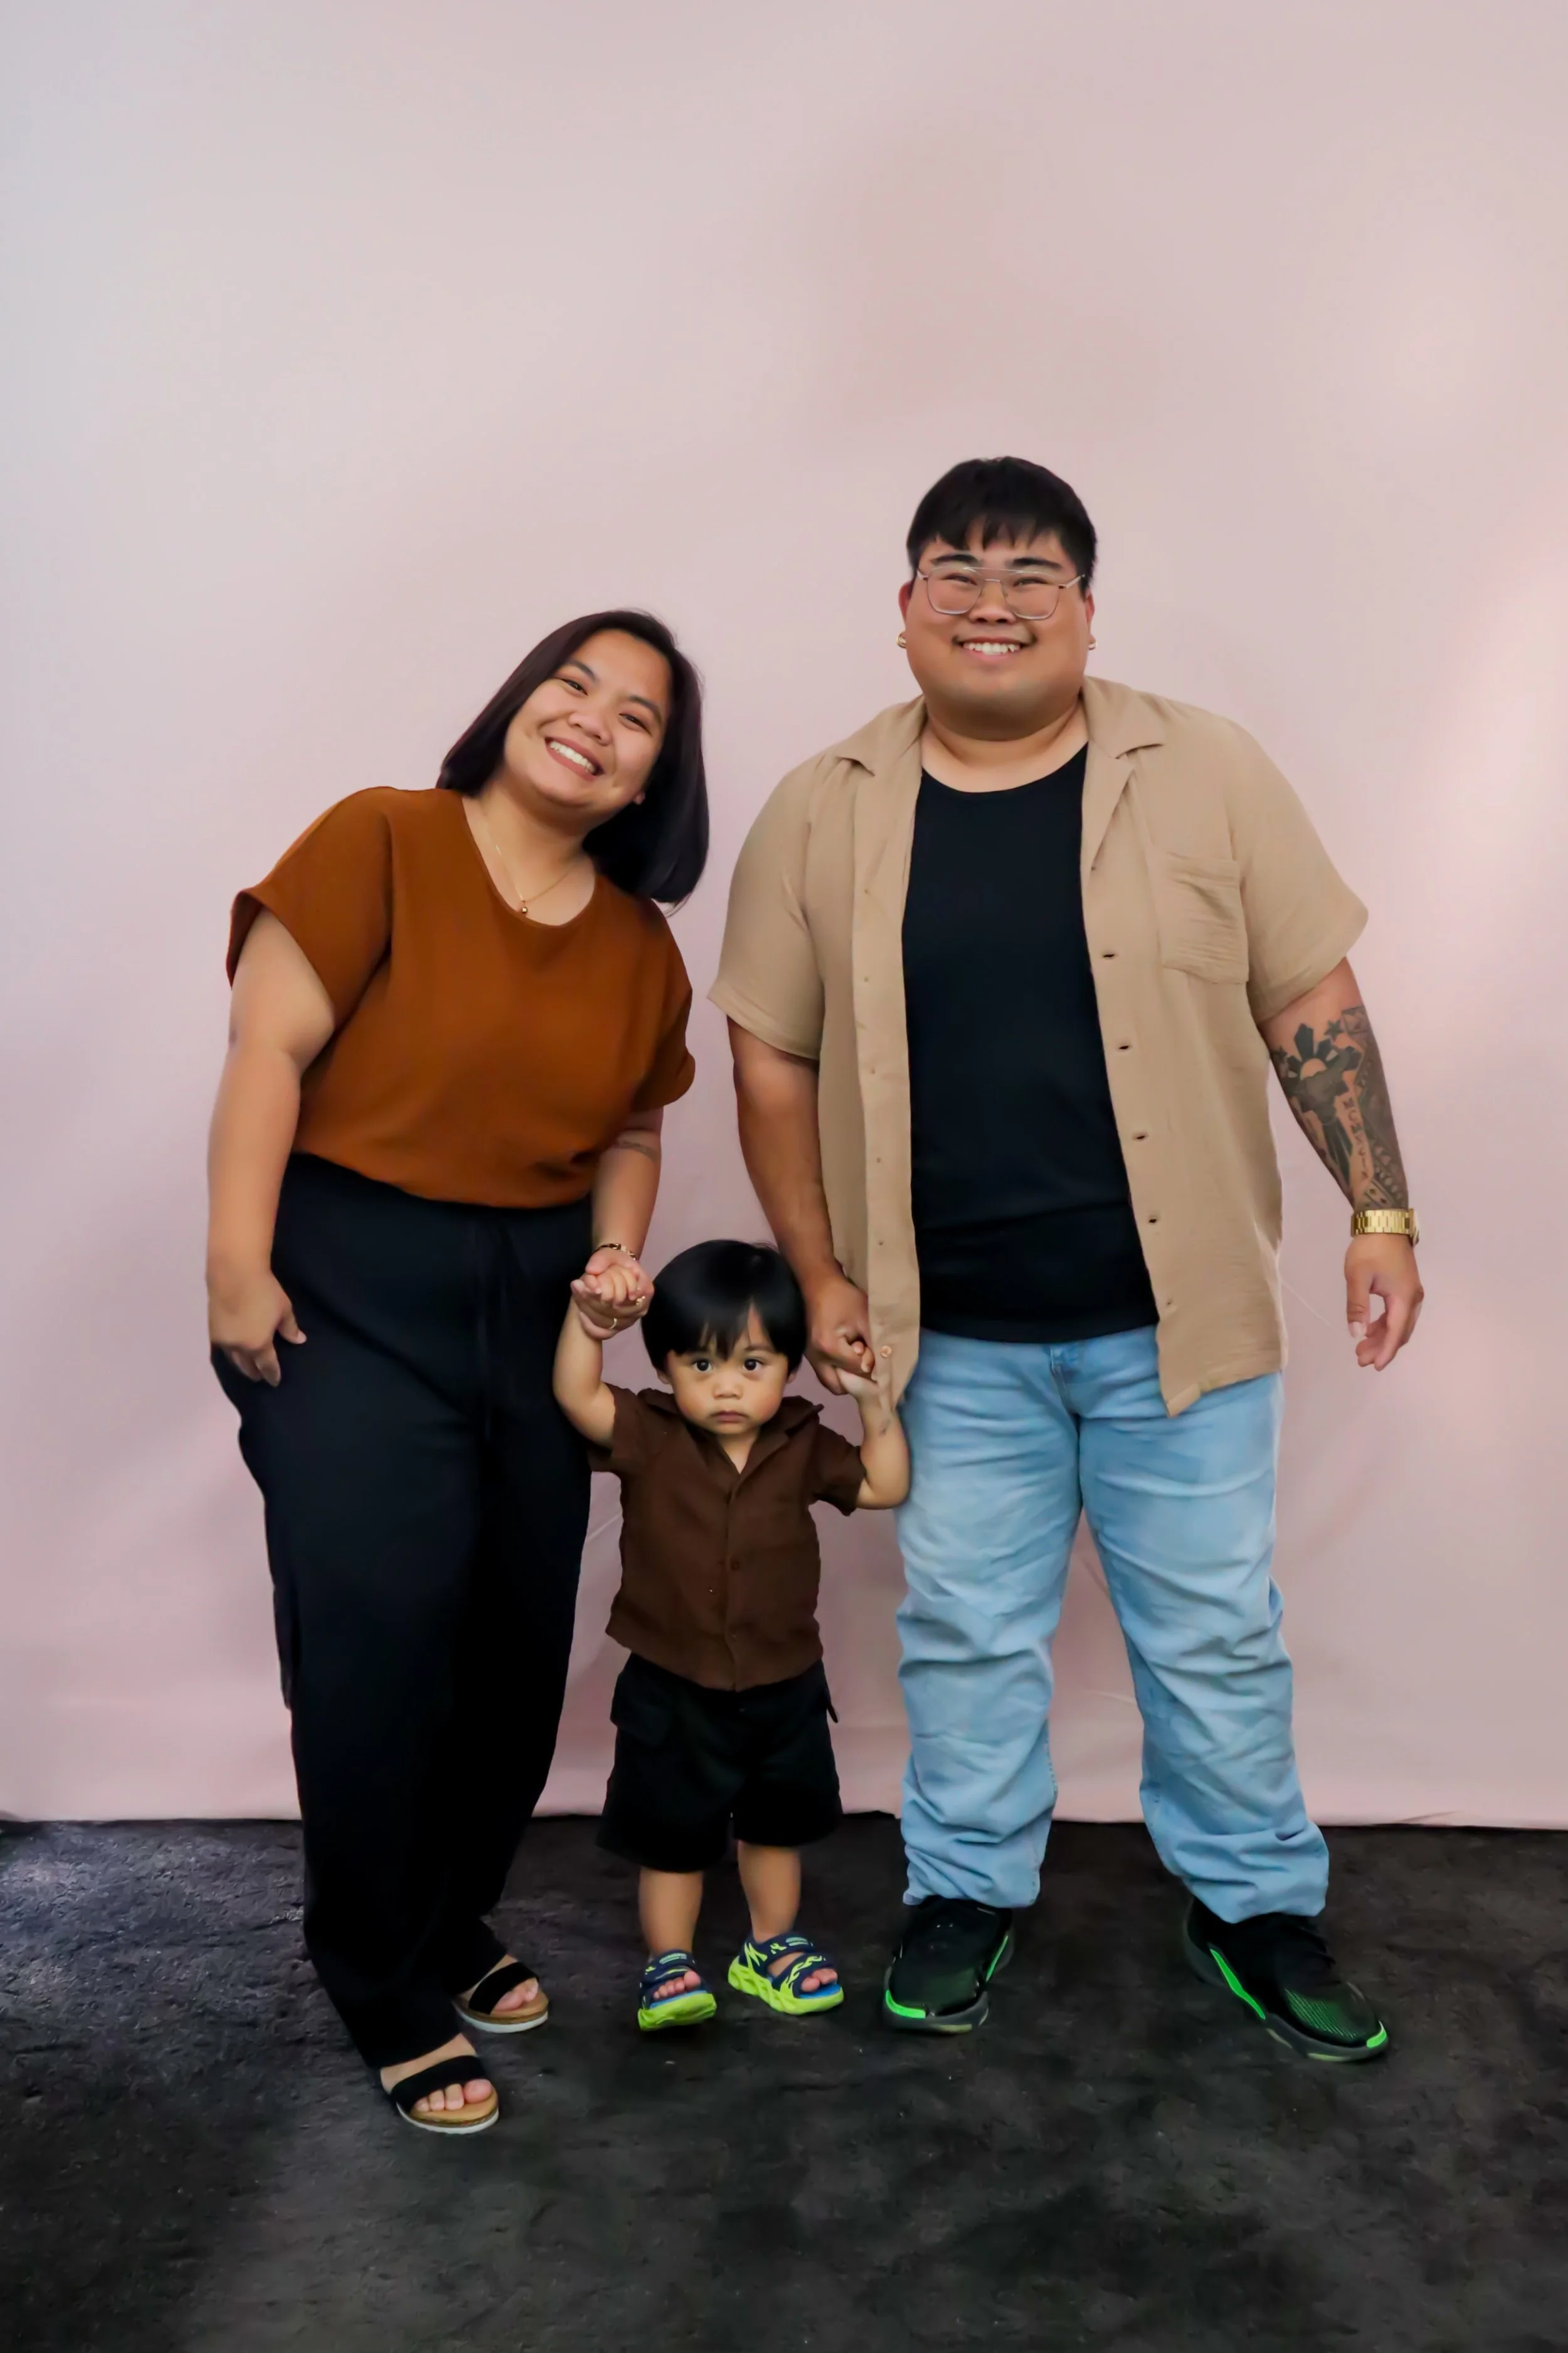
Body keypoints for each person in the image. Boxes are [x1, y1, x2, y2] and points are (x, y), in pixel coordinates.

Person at [713, 457, 1422, 2061]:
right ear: (904, 610)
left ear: (1085, 612)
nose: (992, 597)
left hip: (1180, 1324)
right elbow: (771, 1061)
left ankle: (1254, 1903)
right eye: (956, 567)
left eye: (1033, 572)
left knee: (1217, 1627)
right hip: (944, 1336)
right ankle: (964, 1888)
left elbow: (1311, 998)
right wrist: (821, 1279)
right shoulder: (820, 807)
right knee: (962, 1628)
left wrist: (1379, 1207)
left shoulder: (1209, 769)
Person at [207, 610, 707, 2133]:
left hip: (537, 1301)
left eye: (636, 718)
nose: (595, 720)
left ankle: (447, 1912)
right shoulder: (382, 840)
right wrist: (237, 1260)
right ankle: (378, 1972)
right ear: (513, 702)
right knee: (378, 1625)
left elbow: (632, 1129)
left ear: (648, 784)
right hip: (347, 1281)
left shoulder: (639, 945)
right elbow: (266, 1052)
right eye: (573, 684)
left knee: (511, 1633)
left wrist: (618, 1259)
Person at [553, 1240, 909, 2030]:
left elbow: (886, 1483)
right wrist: (587, 1323)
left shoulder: (803, 1441)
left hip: (784, 1681)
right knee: (671, 1837)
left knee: (775, 1828)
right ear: (666, 1366)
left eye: (753, 1365)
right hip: (672, 1680)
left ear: (789, 1366)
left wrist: (874, 1403)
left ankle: (769, 1947)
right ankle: (669, 1961)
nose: (726, 1388)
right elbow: (576, 1397)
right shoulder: (648, 1433)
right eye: (700, 1366)